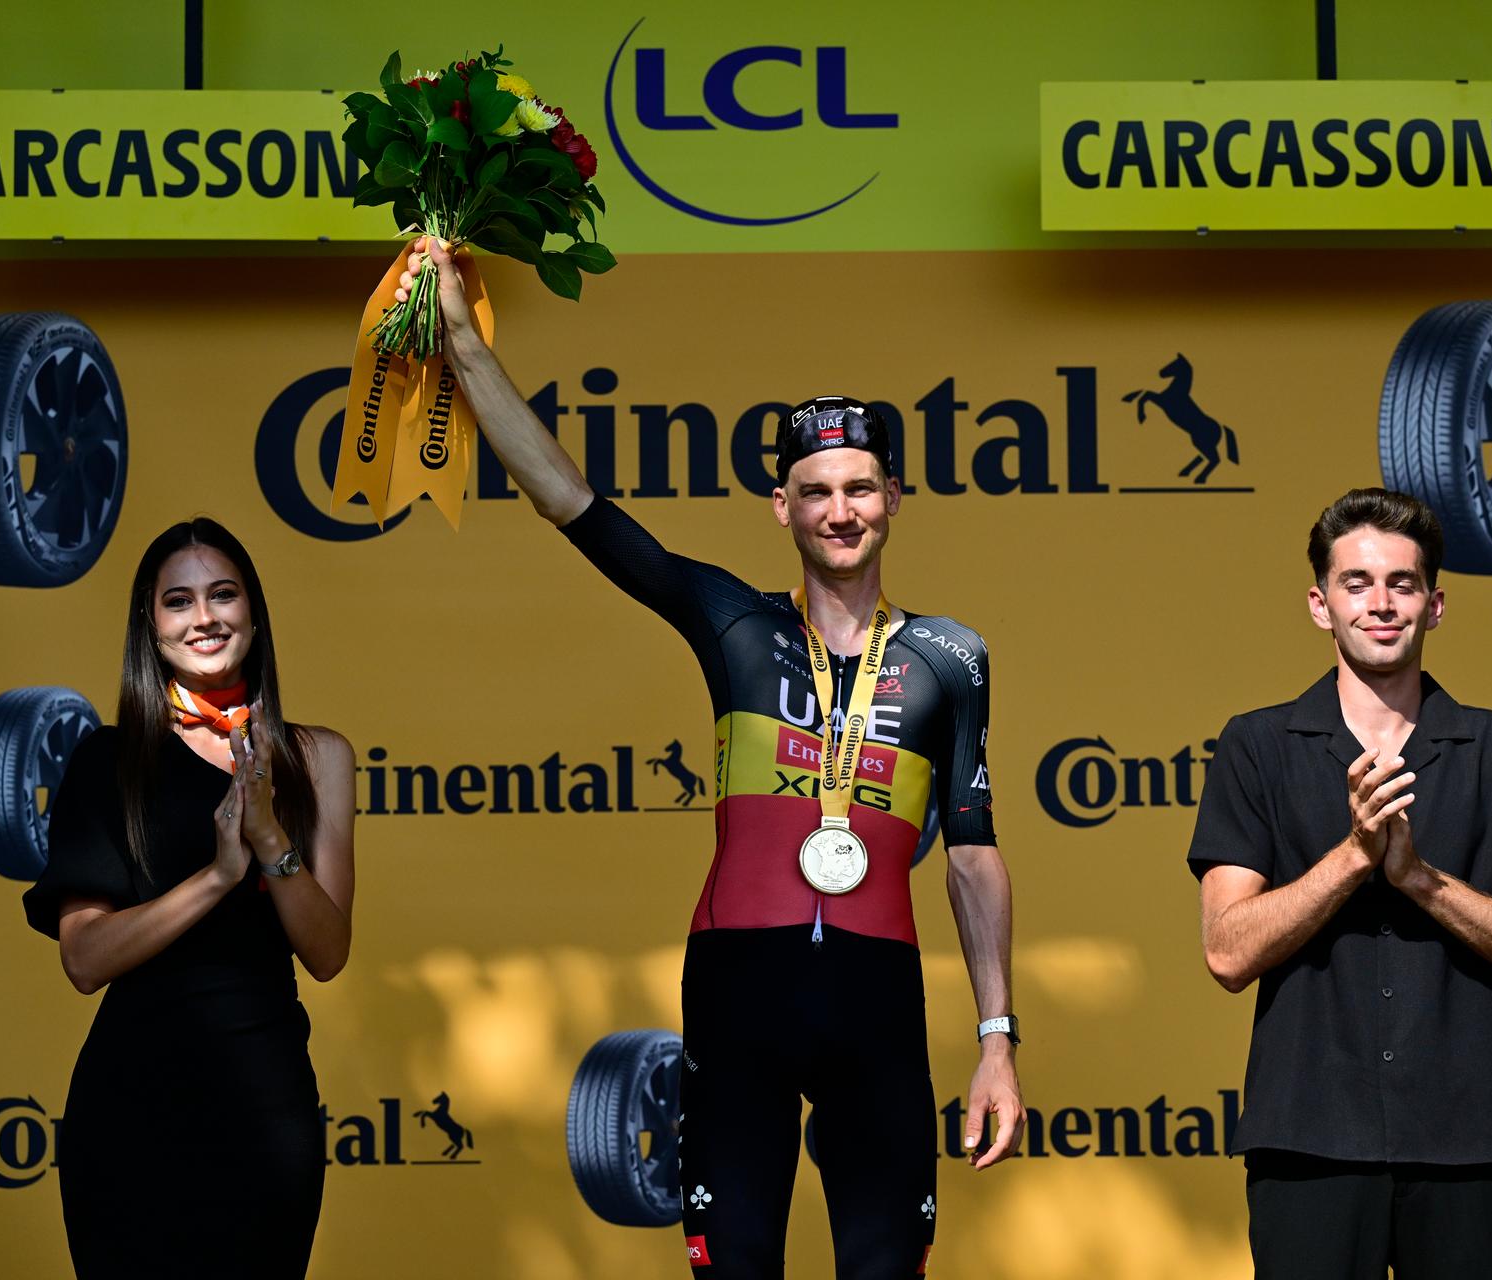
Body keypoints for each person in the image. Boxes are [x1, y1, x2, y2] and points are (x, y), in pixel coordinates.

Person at [394, 239, 1024, 1278]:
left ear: (894, 499)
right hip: (740, 990)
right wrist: (463, 340)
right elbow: (571, 501)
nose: (840, 510)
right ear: (782, 507)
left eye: (860, 487)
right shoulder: (731, 622)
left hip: (879, 997)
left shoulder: (951, 657)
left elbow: (973, 853)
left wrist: (997, 1038)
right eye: (815, 490)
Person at [1188, 488, 1492, 1279]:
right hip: (1307, 1143)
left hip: (1471, 1147)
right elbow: (1227, 953)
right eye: (1357, 582)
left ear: (1435, 605)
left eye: (1402, 584)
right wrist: (1356, 856)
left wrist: (1419, 879)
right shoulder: (1257, 745)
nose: (1380, 603)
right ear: (1319, 603)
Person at [23, 518, 356, 1280]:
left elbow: (329, 952)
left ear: (255, 611)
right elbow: (83, 958)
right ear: (152, 623)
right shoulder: (107, 759)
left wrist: (272, 841)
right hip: (132, 1109)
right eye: (179, 600)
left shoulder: (318, 757)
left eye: (222, 594)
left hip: (268, 1109)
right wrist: (214, 875)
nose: (203, 616)